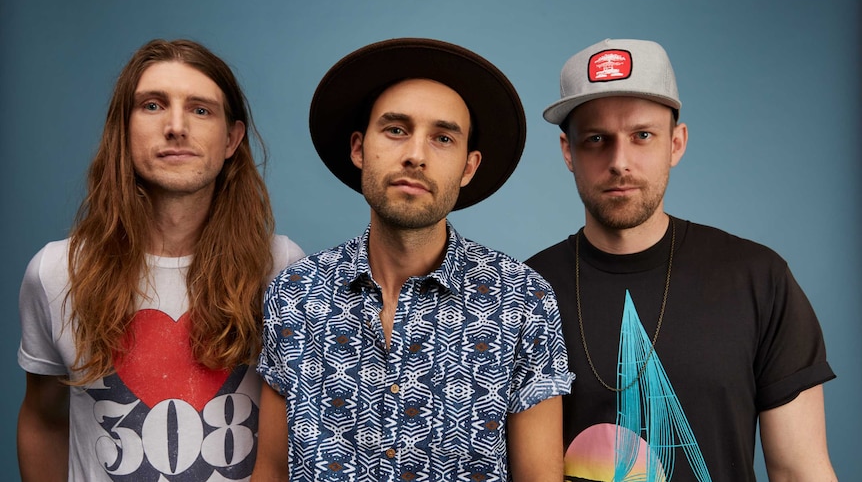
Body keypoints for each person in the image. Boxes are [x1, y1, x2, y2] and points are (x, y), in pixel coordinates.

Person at [252, 38, 573, 481]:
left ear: (468, 167)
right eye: (397, 129)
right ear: (359, 148)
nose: (416, 155)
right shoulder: (295, 295)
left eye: (443, 138)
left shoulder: (521, 299)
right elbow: (271, 472)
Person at [526, 38, 837, 481]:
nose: (620, 162)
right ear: (567, 152)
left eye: (642, 136)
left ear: (676, 143)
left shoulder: (758, 279)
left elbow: (799, 470)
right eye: (597, 139)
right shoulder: (523, 290)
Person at [16, 39, 304, 481]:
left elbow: (292, 438)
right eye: (152, 105)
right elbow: (43, 418)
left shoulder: (282, 267)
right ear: (123, 130)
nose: (176, 126)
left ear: (232, 140)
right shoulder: (56, 272)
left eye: (201, 110)